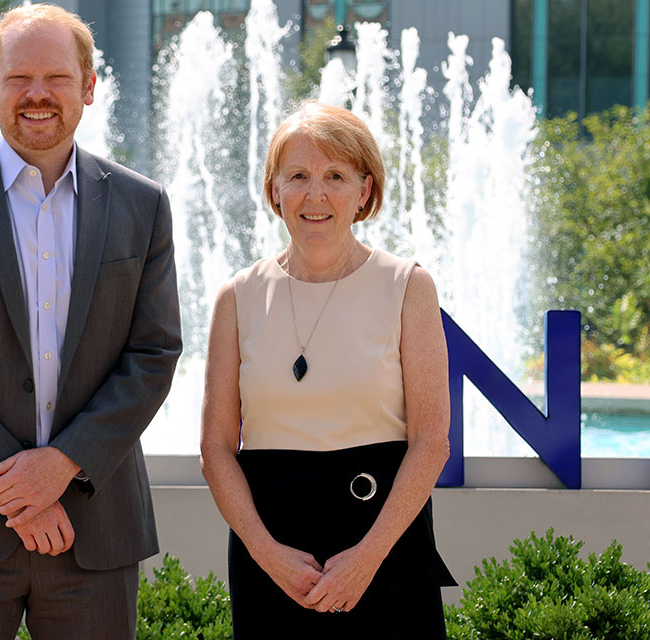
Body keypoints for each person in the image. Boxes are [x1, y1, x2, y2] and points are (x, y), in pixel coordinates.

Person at [0, 5, 181, 639]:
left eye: (57, 78)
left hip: (93, 532)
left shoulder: (142, 205)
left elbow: (153, 353)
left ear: (89, 86)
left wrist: (65, 463)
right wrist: (22, 487)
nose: (38, 95)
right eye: (19, 79)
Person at [200, 100, 456, 638]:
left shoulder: (409, 286)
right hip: (272, 556)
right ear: (274, 190)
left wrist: (366, 559)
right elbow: (216, 450)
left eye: (335, 176)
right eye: (298, 176)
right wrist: (266, 552)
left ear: (364, 191)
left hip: (384, 546)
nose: (315, 195)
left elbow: (432, 441)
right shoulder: (237, 298)